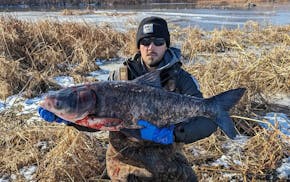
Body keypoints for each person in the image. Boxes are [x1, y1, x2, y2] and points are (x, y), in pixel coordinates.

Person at [38, 16, 218, 181]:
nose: (151, 47)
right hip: (124, 157)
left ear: (166, 45)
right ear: (139, 45)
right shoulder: (118, 77)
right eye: (145, 41)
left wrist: (173, 134)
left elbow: (208, 122)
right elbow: (97, 123)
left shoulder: (181, 79)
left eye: (158, 41)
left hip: (166, 154)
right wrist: (69, 119)